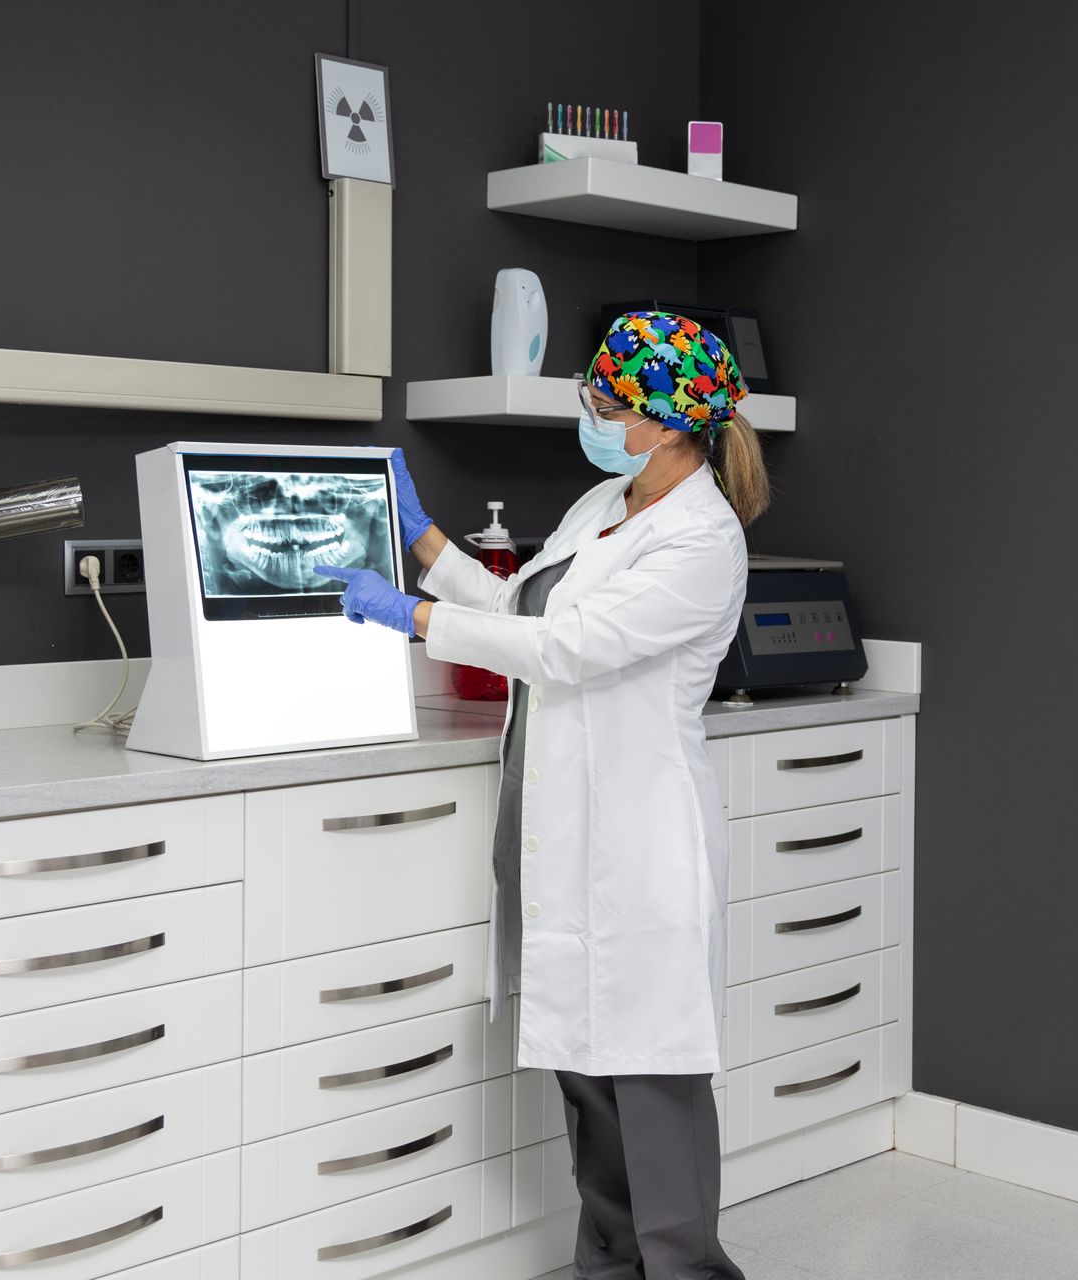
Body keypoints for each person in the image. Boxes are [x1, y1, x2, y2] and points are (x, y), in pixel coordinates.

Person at [316, 311, 770, 1280]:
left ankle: (686, 1269)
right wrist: (425, 541)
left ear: (663, 420)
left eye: (605, 400)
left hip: (640, 843)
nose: (591, 412)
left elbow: (569, 648)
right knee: (589, 1084)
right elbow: (523, 605)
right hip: (567, 828)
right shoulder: (608, 500)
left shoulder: (702, 538)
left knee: (650, 1082)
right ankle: (611, 1266)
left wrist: (410, 616)